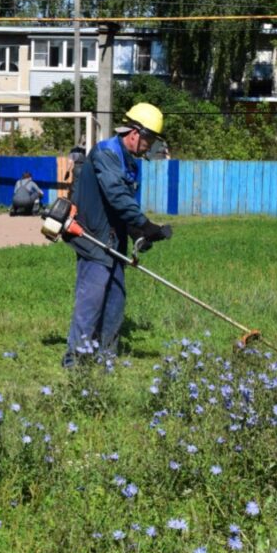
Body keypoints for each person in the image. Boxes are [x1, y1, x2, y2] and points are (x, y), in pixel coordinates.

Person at [62, 102, 173, 368]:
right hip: (93, 238)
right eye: (149, 139)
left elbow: (122, 205)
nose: (150, 145)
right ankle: (74, 360)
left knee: (115, 300)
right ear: (134, 133)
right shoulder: (106, 153)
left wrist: (138, 234)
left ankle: (105, 357)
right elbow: (116, 195)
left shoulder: (130, 164)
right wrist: (145, 224)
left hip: (113, 242)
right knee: (91, 300)